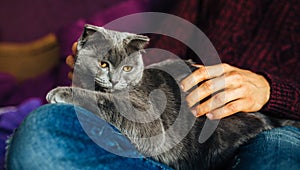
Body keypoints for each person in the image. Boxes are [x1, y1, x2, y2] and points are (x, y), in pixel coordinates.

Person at [6, 0, 300, 169]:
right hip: (169, 130)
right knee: (43, 131)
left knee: (274, 155)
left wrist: (271, 91)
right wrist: (105, 82)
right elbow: (161, 49)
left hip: (272, 127)